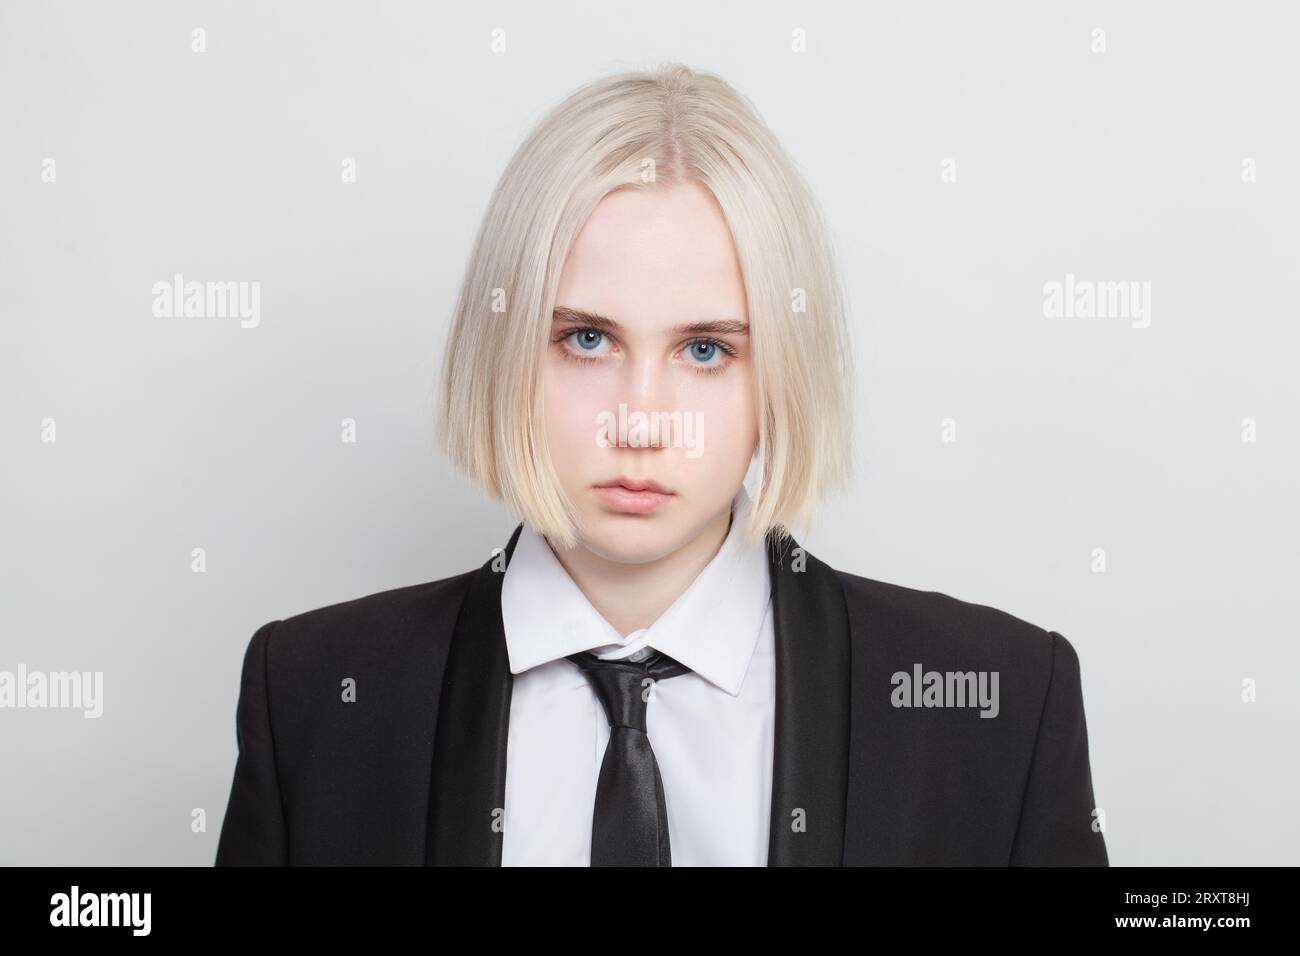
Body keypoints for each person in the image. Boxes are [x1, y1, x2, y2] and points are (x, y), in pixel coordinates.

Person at [215, 63, 1107, 866]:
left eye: (708, 350)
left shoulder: (1000, 705)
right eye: (587, 338)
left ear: (783, 372)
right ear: (503, 350)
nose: (642, 422)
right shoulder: (312, 698)